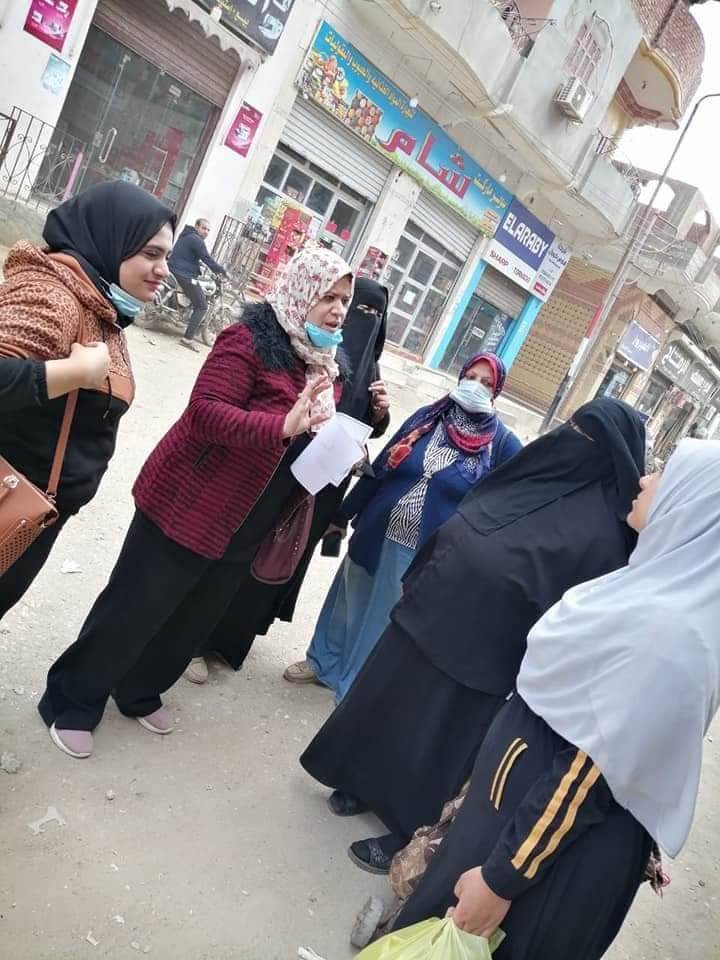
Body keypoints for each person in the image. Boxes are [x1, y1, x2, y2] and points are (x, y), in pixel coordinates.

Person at [392, 438, 720, 960]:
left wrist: (502, 879)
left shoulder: (668, 633)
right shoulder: (654, 592)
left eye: (664, 474)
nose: (644, 478)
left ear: (694, 509)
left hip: (537, 851)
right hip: (520, 819)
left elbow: (591, 772)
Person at [300, 399, 646, 873]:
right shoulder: (534, 472)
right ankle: (359, 781)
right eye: (570, 424)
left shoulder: (605, 531)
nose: (567, 436)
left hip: (485, 650)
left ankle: (404, 831)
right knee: (388, 703)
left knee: (434, 737)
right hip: (429, 608)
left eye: (583, 434)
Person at [38, 247, 355, 759]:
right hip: (189, 501)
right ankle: (71, 699)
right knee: (136, 606)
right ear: (301, 292)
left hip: (247, 519)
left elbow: (302, 435)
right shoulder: (249, 340)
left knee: (192, 617)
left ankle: (140, 691)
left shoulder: (319, 363)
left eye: (344, 300)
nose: (338, 310)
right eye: (328, 297)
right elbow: (205, 412)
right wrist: (279, 425)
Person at [185, 277, 392, 683]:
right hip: (276, 465)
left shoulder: (370, 366)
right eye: (357, 308)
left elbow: (367, 424)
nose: (357, 317)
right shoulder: (312, 350)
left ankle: (231, 640)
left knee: (277, 559)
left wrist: (380, 413)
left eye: (374, 314)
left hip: (323, 483)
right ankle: (193, 639)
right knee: (237, 550)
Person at [286, 353, 522, 702]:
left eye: (486, 383)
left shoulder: (500, 445)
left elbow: (506, 504)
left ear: (496, 391)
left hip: (425, 547)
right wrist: (343, 514)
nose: (475, 386)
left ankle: (356, 688)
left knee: (385, 616)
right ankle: (323, 663)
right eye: (471, 377)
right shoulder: (427, 417)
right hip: (378, 526)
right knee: (349, 597)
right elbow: (382, 467)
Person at [0, 181, 175, 621]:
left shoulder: (97, 300)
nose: (164, 270)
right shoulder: (55, 297)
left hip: (32, 513)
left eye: (167, 256)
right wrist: (73, 373)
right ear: (111, 240)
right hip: (11, 502)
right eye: (151, 254)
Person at [168, 217, 226, 352]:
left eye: (208, 230)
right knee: (202, 306)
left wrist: (198, 264)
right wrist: (222, 271)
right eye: (204, 228)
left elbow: (189, 255)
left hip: (174, 269)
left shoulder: (186, 235)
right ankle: (187, 339)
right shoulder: (197, 240)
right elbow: (207, 258)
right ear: (197, 226)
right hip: (184, 274)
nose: (206, 232)